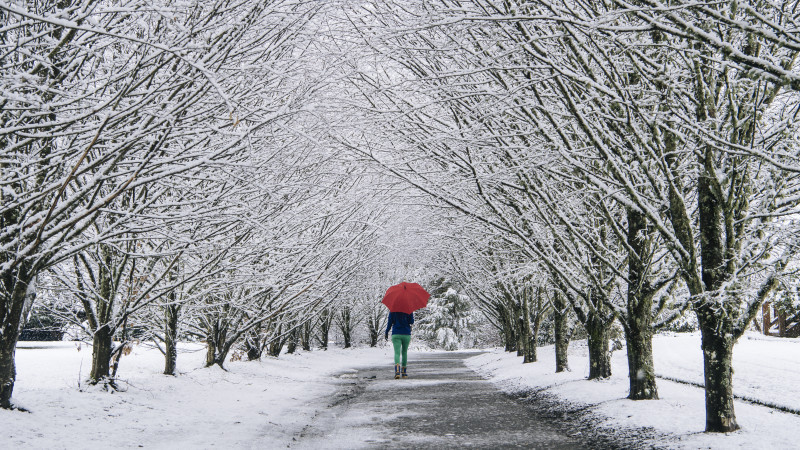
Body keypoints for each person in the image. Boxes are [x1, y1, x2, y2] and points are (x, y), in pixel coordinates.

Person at [385, 311, 414, 379]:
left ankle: (397, 371)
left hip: (396, 333)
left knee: (397, 353)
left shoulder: (393, 311)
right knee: (404, 352)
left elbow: (389, 322)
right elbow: (411, 322)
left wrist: (386, 332)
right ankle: (404, 373)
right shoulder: (409, 309)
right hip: (406, 334)